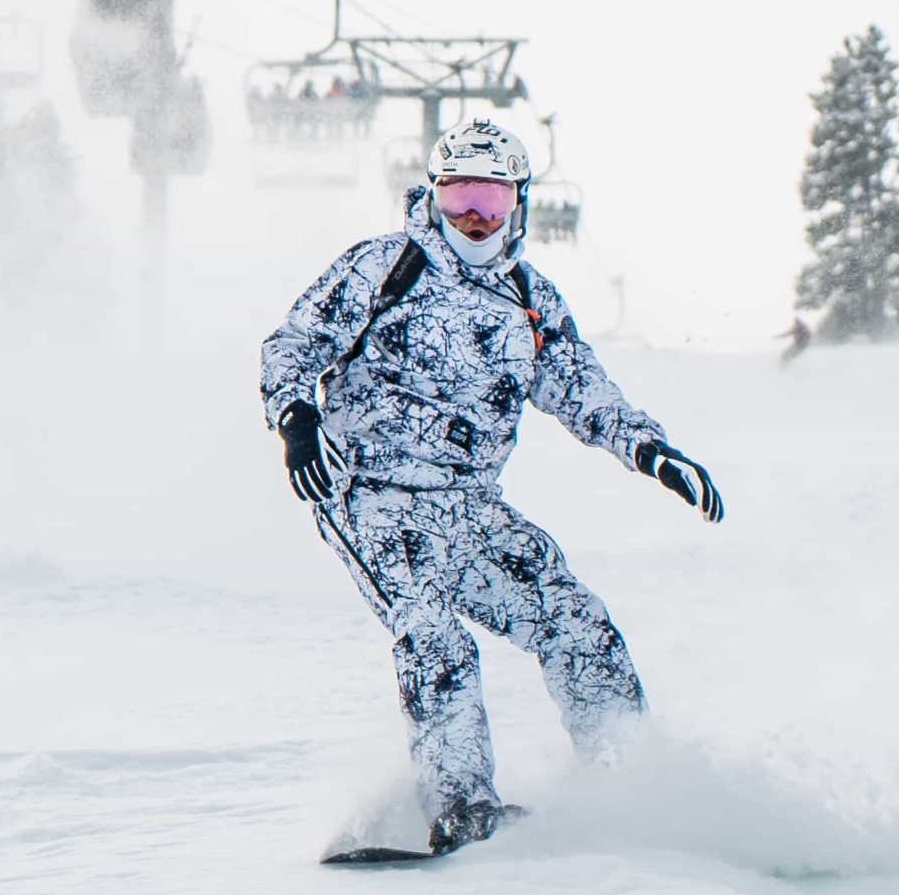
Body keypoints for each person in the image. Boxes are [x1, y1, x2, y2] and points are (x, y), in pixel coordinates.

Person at [260, 120, 725, 854]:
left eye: (491, 197)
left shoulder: (529, 300)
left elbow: (582, 389)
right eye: (458, 194)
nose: (474, 214)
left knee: (574, 618)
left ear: (518, 204)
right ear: (434, 195)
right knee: (434, 631)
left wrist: (651, 451)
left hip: (470, 505)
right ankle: (461, 807)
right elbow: (294, 343)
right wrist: (295, 416)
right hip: (371, 491)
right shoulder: (385, 269)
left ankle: (630, 781)